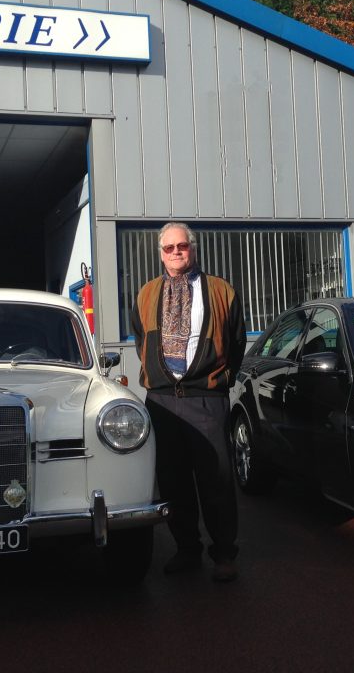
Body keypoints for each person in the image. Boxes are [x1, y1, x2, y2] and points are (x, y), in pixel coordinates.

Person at [131, 222, 246, 582]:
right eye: (169, 248)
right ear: (161, 253)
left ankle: (224, 553)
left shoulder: (221, 290)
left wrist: (219, 382)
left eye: (183, 246)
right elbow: (141, 339)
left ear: (193, 249)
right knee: (173, 480)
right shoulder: (146, 293)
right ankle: (187, 549)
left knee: (217, 479)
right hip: (162, 402)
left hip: (205, 400)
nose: (177, 252)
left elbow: (237, 341)